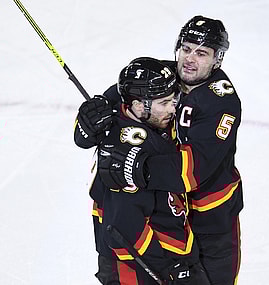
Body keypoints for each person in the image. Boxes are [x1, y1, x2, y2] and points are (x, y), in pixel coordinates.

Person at [75, 16, 243, 285]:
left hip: (210, 218)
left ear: (217, 59)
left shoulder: (221, 102)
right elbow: (109, 108)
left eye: (201, 53)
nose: (190, 59)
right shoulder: (157, 79)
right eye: (186, 49)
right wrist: (86, 125)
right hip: (164, 216)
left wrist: (135, 167)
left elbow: (191, 171)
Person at [83, 57, 211, 285]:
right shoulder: (124, 157)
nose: (173, 108)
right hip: (137, 269)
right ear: (139, 105)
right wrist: (167, 269)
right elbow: (124, 227)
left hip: (173, 254)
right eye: (164, 103)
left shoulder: (150, 125)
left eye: (174, 100)